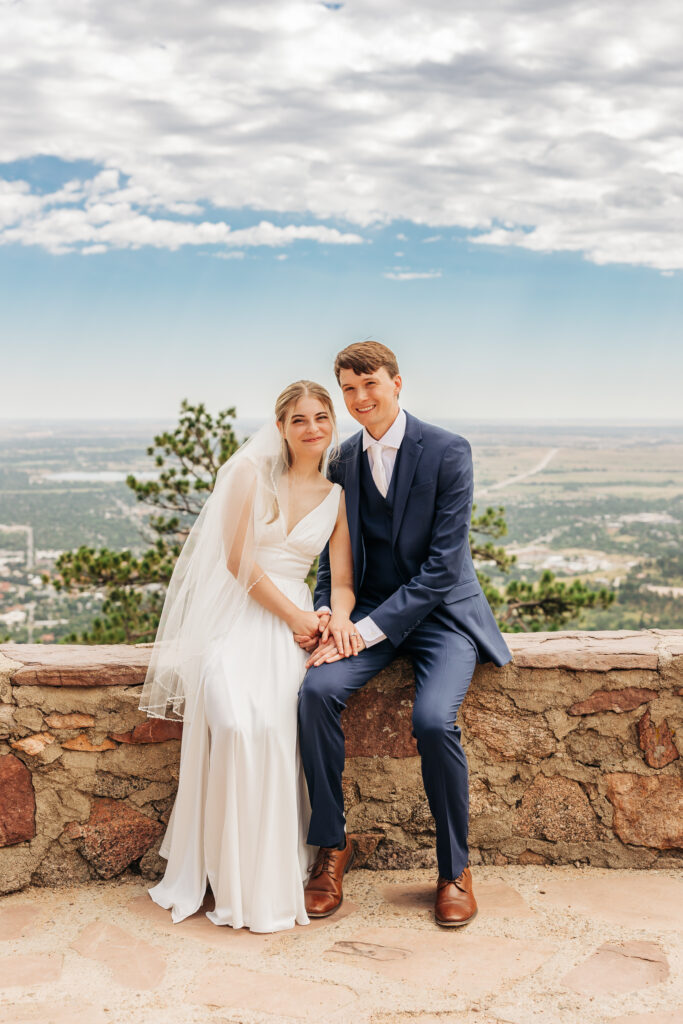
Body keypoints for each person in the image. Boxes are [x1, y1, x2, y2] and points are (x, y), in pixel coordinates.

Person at [297, 341, 512, 927]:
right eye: (348, 389)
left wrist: (362, 631)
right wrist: (326, 613)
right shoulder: (340, 459)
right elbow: (330, 558)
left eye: (370, 384)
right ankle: (332, 847)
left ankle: (454, 869)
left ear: (397, 383)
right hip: (366, 615)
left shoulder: (447, 451)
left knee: (433, 721)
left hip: (441, 620)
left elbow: (443, 568)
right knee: (314, 694)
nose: (360, 397)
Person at [138, 380, 357, 934]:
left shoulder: (336, 496)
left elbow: (344, 581)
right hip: (243, 619)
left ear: (333, 424)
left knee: (279, 730)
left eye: (321, 418)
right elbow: (237, 562)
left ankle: (273, 876)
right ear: (280, 427)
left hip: (300, 628)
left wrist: (337, 618)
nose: (312, 429)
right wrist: (295, 616)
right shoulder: (248, 476)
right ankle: (227, 875)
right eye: (299, 419)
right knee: (237, 723)